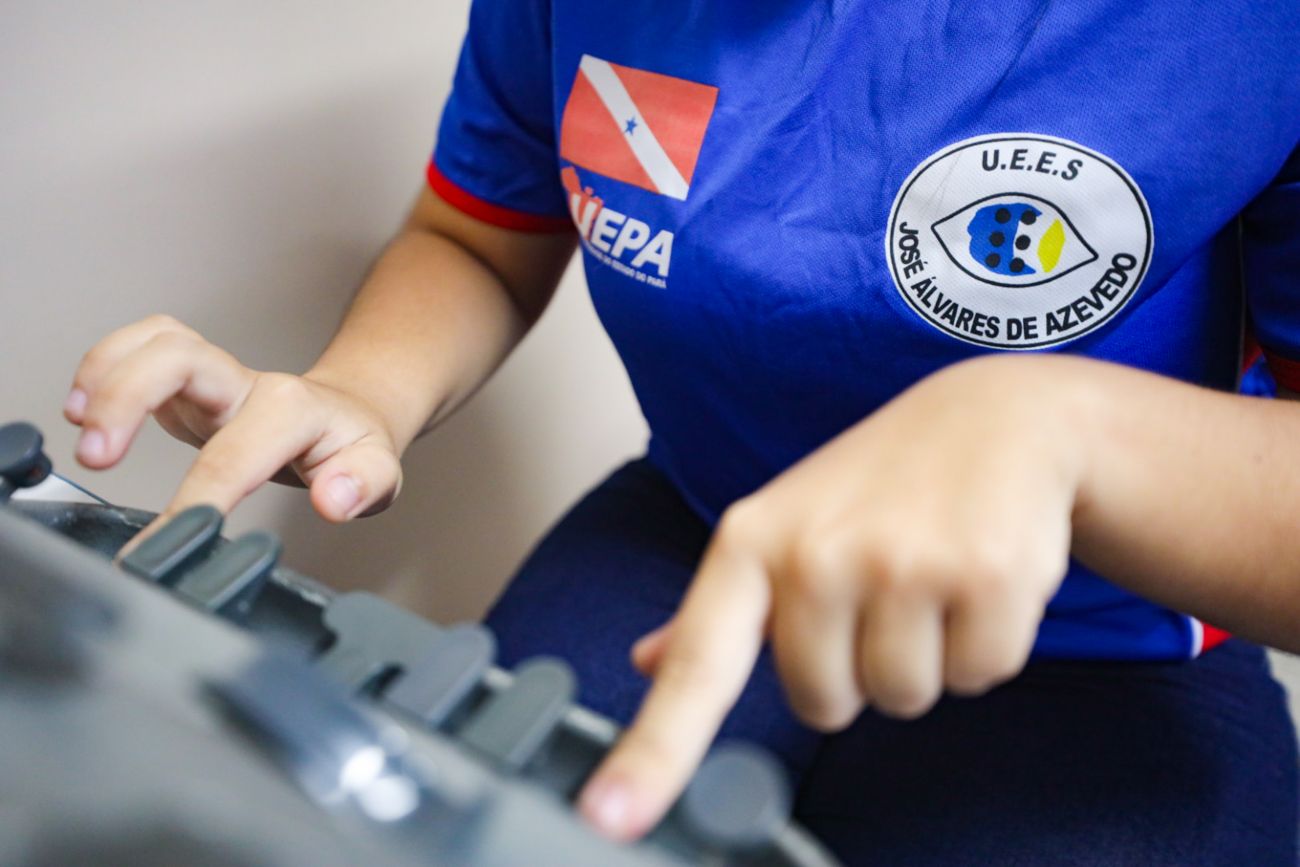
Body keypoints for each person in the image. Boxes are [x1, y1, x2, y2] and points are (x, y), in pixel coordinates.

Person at [65, 2, 1300, 863]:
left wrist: (1067, 429)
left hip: (1106, 643)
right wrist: (362, 393)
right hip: (695, 532)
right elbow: (477, 237)